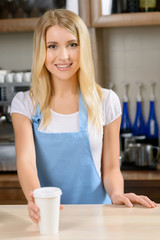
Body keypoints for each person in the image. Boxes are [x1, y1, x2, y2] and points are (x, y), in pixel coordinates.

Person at [11, 9, 157, 224]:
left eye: (72, 44)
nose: (64, 56)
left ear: (84, 48)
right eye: (52, 46)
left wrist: (117, 194)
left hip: (98, 217)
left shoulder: (106, 101)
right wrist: (35, 198)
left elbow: (110, 168)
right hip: (48, 217)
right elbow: (26, 162)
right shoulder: (25, 104)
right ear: (41, 51)